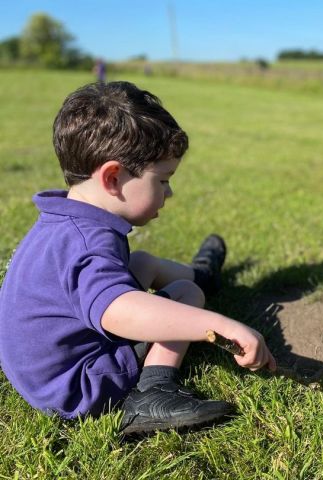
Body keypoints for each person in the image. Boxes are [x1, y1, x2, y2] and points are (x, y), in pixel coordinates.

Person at [0, 81, 276, 435]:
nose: (169, 192)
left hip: (41, 369)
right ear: (113, 177)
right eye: (162, 180)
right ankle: (153, 392)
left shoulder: (63, 219)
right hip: (77, 384)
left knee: (143, 262)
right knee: (187, 297)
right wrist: (223, 325)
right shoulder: (89, 243)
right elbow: (120, 311)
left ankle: (201, 274)